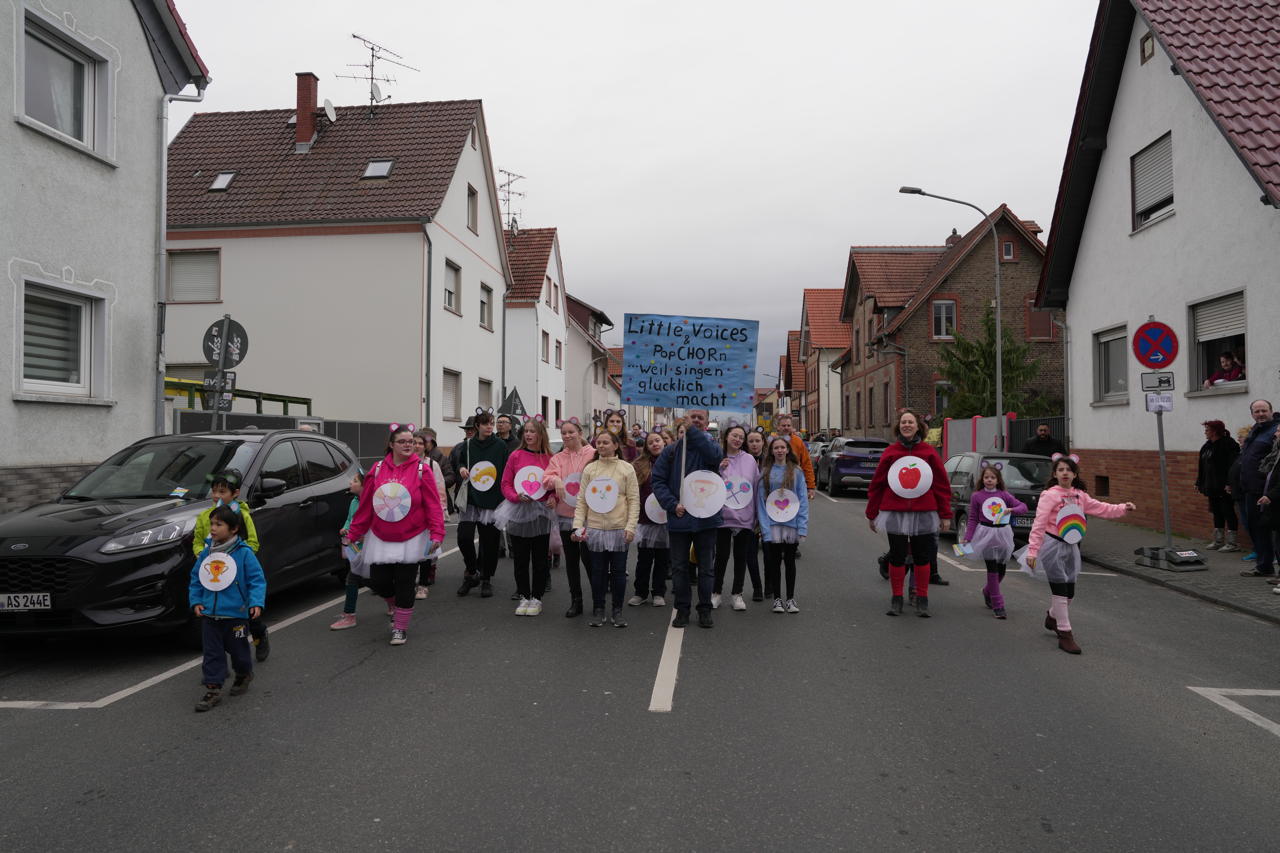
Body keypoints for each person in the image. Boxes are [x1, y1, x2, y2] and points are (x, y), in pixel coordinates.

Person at [345, 424, 446, 645]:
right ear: (391, 445)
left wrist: (437, 533)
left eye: (411, 441)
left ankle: (400, 627)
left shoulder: (422, 470)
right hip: (380, 535)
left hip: (412, 535)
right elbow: (365, 506)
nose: (408, 445)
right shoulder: (378, 469)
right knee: (378, 581)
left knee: (405, 581)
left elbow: (432, 505)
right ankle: (392, 602)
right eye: (402, 441)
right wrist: (354, 533)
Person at [1023, 454, 1134, 654]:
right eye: (1061, 470)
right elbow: (1039, 524)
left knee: (1070, 592)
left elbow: (1101, 508)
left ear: (1075, 474)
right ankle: (1065, 634)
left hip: (1071, 547)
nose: (1065, 473)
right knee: (1060, 590)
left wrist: (1122, 508)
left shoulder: (1080, 495)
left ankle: (1052, 616)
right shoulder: (1049, 495)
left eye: (1068, 470)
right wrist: (1032, 551)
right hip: (1052, 546)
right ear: (1055, 474)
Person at [866, 409, 951, 617]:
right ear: (899, 426)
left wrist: (945, 514)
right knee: (897, 556)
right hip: (895, 511)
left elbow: (941, 485)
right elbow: (877, 484)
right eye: (903, 422)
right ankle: (897, 598)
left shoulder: (929, 453)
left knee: (923, 557)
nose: (906, 425)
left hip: (923, 512)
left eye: (910, 422)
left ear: (917, 426)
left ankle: (922, 598)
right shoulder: (891, 452)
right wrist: (872, 512)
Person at [190, 503, 266, 711]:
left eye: (219, 524)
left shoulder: (243, 553)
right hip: (210, 615)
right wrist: (196, 600)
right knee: (212, 653)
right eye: (212, 524)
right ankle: (213, 689)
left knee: (239, 652)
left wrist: (256, 602)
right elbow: (197, 578)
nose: (213, 528)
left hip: (236, 614)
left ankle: (244, 674)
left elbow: (257, 580)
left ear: (233, 529)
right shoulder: (207, 554)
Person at [652, 408, 724, 629]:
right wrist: (672, 505)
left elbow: (715, 456)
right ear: (684, 420)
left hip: (706, 519)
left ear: (706, 422)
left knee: (706, 567)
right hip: (680, 517)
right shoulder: (671, 452)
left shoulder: (710, 449)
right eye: (692, 417)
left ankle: (704, 609)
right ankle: (682, 609)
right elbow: (658, 480)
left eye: (700, 418)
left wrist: (693, 431)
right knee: (680, 568)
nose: (695, 420)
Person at [192, 469, 269, 661]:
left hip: (236, 575)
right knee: (215, 621)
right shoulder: (205, 516)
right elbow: (198, 540)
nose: (217, 496)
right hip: (213, 572)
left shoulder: (242, 515)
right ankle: (216, 666)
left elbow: (252, 542)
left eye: (222, 492)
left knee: (248, 616)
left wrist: (236, 557)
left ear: (234, 494)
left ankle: (260, 636)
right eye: (214, 491)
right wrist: (202, 554)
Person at [572, 430, 640, 627]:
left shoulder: (626, 468)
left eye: (605, 442)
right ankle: (598, 609)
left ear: (615, 445)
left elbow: (634, 500)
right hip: (594, 528)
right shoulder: (590, 469)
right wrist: (578, 526)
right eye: (598, 443)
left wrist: (631, 527)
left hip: (619, 528)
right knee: (598, 571)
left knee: (619, 572)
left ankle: (617, 611)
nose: (601, 446)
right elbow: (582, 500)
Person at [496, 416, 557, 616]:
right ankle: (524, 595)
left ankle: (537, 598)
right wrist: (515, 496)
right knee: (520, 558)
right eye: (527, 431)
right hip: (518, 510)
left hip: (540, 512)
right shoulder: (516, 456)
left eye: (533, 431)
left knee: (540, 558)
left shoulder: (549, 457)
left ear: (541, 434)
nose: (529, 434)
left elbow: (555, 484)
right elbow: (505, 483)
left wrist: (553, 497)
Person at [543, 417, 597, 617]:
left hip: (589, 516)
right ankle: (577, 601)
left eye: (570, 432)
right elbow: (546, 478)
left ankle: (598, 600)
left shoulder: (593, 454)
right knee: (572, 561)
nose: (566, 436)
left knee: (589, 559)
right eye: (563, 433)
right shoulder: (558, 458)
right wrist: (555, 480)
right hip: (566, 515)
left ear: (580, 434)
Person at [959, 463, 1027, 619]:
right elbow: (973, 518)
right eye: (986, 477)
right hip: (985, 534)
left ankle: (987, 591)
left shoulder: (1004, 495)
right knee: (992, 569)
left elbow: (1022, 507)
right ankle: (998, 604)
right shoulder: (977, 496)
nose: (989, 480)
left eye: (992, 477)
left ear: (998, 480)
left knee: (1001, 570)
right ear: (982, 479)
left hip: (1003, 533)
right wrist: (967, 537)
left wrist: (1012, 510)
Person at [455, 410, 510, 597]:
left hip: (492, 498)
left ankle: (486, 578)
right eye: (485, 423)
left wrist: (505, 496)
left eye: (492, 423)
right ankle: (472, 572)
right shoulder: (468, 445)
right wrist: (462, 468)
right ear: (477, 426)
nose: (489, 427)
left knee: (490, 542)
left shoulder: (500, 445)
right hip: (471, 497)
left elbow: (506, 470)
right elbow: (460, 461)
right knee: (464, 537)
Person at [758, 436, 809, 614]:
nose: (779, 450)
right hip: (772, 524)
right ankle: (777, 599)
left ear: (788, 450)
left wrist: (802, 526)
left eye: (782, 447)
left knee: (790, 562)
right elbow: (761, 502)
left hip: (791, 524)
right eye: (776, 448)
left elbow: (802, 500)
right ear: (771, 451)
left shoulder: (797, 471)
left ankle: (790, 598)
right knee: (774, 562)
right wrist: (765, 529)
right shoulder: (765, 472)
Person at [714, 424, 763, 609]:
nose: (738, 440)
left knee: (741, 557)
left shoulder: (750, 459)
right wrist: (718, 468)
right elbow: (710, 483)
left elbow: (756, 487)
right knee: (721, 557)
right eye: (734, 435)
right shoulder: (717, 457)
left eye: (741, 437)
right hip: (722, 516)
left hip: (745, 516)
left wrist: (757, 515)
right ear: (726, 437)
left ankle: (737, 594)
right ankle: (716, 592)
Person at [1236, 400, 1280, 578]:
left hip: (1267, 490)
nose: (1260, 414)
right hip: (1250, 489)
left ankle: (1271, 568)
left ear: (1271, 411)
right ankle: (1264, 566)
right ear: (1252, 414)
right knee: (1256, 528)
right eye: (1257, 411)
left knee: (1272, 530)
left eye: (1264, 410)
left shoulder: (1275, 431)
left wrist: (1270, 491)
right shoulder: (1256, 429)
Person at [628, 431, 670, 607]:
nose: (655, 444)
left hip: (666, 518)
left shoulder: (672, 463)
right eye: (651, 442)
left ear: (664, 443)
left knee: (662, 558)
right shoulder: (638, 465)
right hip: (645, 519)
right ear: (646, 446)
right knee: (644, 558)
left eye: (658, 440)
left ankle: (659, 592)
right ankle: (641, 592)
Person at [413, 429, 448, 597]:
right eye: (414, 443)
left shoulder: (432, 464)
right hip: (410, 514)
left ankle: (423, 584)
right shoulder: (403, 463)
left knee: (426, 549)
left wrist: (441, 511)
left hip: (428, 513)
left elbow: (440, 489)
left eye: (421, 443)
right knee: (411, 549)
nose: (417, 446)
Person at [1196, 420, 1240, 552]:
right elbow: (1202, 466)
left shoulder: (1228, 444)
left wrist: (1229, 483)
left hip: (1224, 487)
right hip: (1211, 486)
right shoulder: (1207, 446)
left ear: (1215, 431)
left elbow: (1233, 466)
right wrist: (1199, 482)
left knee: (1228, 511)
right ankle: (1218, 540)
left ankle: (1232, 543)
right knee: (1216, 512)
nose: (1205, 432)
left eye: (1207, 430)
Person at [330, 470, 366, 630]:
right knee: (355, 579)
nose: (351, 483)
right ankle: (349, 615)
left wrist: (362, 535)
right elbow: (349, 520)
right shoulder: (353, 502)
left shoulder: (371, 503)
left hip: (367, 548)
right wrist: (345, 529)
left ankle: (394, 605)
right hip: (354, 547)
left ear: (365, 486)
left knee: (374, 581)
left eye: (355, 481)